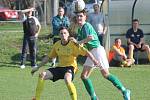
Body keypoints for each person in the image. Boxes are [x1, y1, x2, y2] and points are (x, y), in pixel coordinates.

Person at [75, 9, 130, 100]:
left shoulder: (86, 25)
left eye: (81, 16)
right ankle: (94, 98)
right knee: (84, 76)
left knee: (106, 74)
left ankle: (124, 91)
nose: (79, 17)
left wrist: (78, 42)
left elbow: (90, 37)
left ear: (85, 17)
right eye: (78, 16)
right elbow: (80, 44)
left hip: (97, 50)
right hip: (92, 52)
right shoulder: (80, 29)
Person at [31, 27, 99, 100]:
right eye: (61, 33)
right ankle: (36, 98)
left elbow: (86, 52)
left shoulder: (73, 44)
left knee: (67, 79)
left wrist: (94, 60)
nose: (63, 35)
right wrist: (37, 67)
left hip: (71, 67)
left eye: (65, 33)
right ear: (59, 35)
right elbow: (48, 57)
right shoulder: (57, 45)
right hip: (60, 67)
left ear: (68, 34)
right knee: (42, 74)